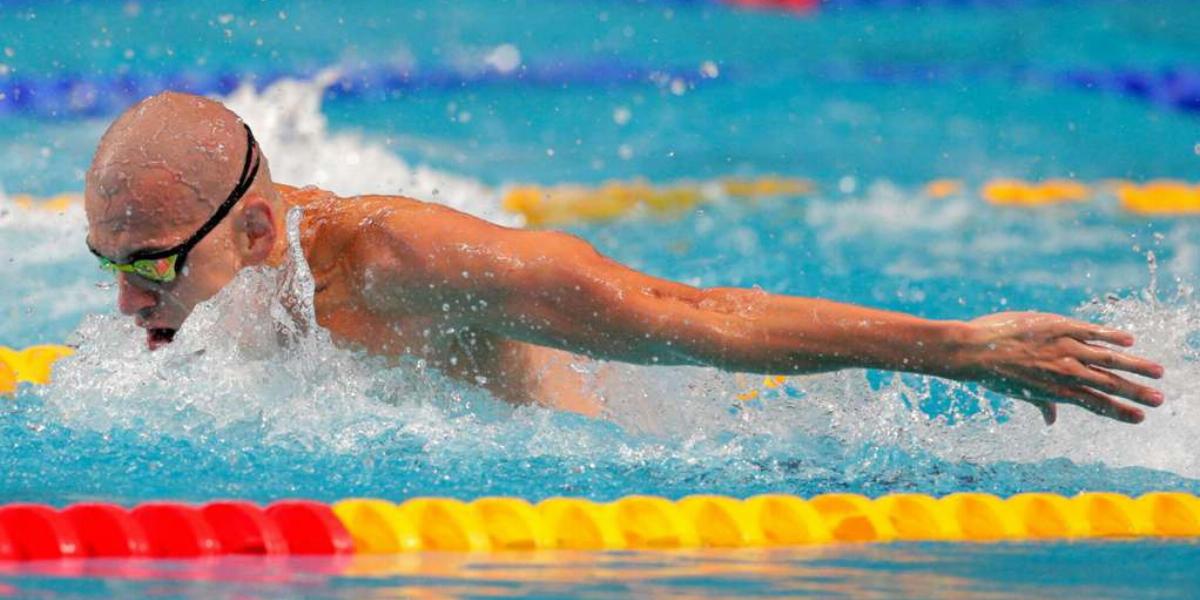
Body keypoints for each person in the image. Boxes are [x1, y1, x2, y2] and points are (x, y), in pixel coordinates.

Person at [83, 92, 1164, 424]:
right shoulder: (215, 279)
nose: (128, 301)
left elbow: (694, 314)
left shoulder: (407, 258)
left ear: (258, 231)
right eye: (109, 265)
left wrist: (961, 347)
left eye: (150, 268)